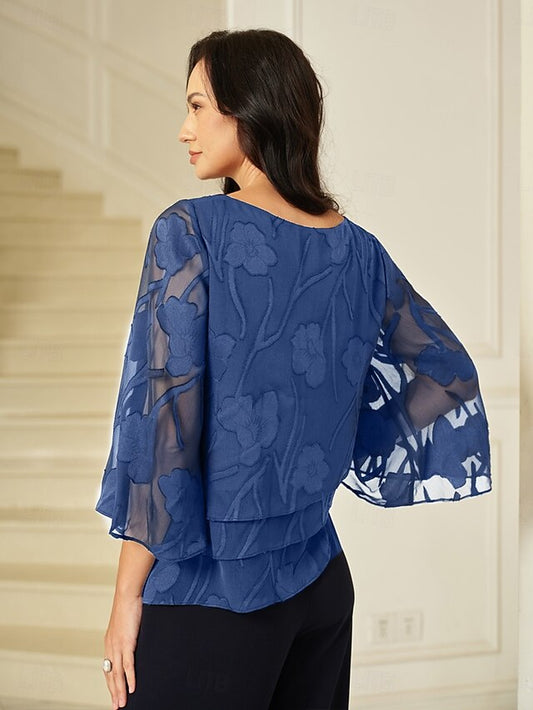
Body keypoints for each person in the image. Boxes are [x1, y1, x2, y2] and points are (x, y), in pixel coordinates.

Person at [94, 28, 492, 710]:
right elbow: (446, 374)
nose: (184, 128)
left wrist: (126, 596)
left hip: (214, 597)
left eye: (197, 106)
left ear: (250, 108)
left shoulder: (189, 231)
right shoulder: (358, 250)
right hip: (321, 581)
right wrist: (322, 445)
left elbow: (162, 433)